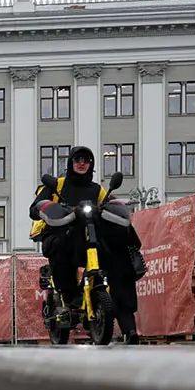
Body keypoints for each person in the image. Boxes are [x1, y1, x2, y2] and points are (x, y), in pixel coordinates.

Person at [29, 146, 141, 343]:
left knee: (120, 253)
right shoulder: (58, 185)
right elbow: (35, 207)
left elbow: (109, 204)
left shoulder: (98, 189)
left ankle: (128, 324)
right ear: (71, 163)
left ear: (92, 165)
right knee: (60, 244)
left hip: (91, 238)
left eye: (87, 160)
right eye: (78, 159)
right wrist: (46, 207)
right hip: (61, 234)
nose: (82, 163)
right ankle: (71, 296)